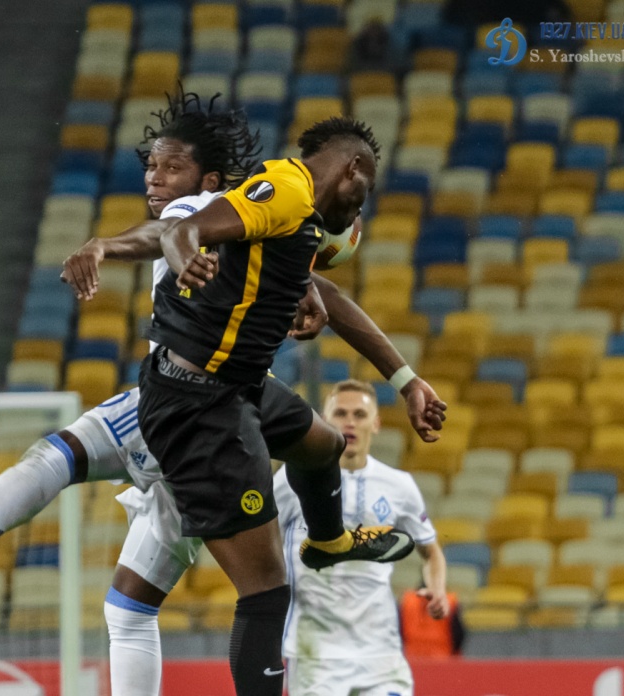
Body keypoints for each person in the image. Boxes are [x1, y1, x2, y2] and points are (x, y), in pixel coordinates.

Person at [0, 99, 445, 695]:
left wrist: (118, 245)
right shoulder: (258, 208)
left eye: (171, 167)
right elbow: (183, 236)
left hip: (203, 397)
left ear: (209, 179)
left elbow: (182, 230)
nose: (156, 179)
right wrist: (124, 246)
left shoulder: (226, 205)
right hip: (208, 400)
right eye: (151, 168)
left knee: (77, 472)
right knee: (141, 596)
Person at [130, 116, 442, 696]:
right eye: (364, 190)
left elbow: (332, 297)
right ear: (352, 169)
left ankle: (328, 542)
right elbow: (182, 230)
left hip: (240, 385)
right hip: (197, 404)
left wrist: (406, 381)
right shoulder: (286, 190)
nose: (360, 209)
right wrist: (181, 254)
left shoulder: (298, 218)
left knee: (324, 445)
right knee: (267, 590)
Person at [277, 380, 449, 696]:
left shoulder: (399, 485)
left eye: (359, 414)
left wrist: (437, 588)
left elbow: (431, 552)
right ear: (324, 421)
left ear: (376, 423)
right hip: (316, 654)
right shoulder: (293, 481)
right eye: (340, 413)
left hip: (381, 653)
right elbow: (264, 545)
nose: (350, 422)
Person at [399, 586, 465, 660]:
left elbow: (398, 629)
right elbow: (458, 634)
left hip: (412, 657)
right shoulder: (449, 601)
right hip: (442, 657)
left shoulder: (407, 601)